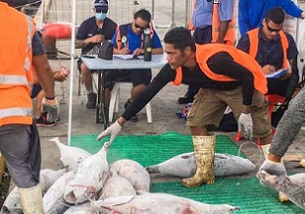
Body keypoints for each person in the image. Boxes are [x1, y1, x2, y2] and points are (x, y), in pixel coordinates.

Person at [97, 27, 273, 188]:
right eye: (167, 53)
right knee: (196, 121)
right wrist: (120, 122)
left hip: (240, 87)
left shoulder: (215, 61)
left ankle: (274, 174)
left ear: (187, 51)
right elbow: (149, 92)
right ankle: (205, 171)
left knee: (262, 132)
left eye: (172, 53)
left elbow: (247, 76)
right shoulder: (173, 68)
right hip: (212, 89)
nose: (168, 58)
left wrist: (246, 111)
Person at [0, 1, 59, 214]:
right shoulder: (22, 23)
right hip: (13, 113)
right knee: (24, 172)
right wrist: (50, 97)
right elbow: (42, 66)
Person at [104, 8, 163, 122]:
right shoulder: (122, 30)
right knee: (105, 82)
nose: (138, 30)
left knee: (144, 85)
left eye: (142, 28)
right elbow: (109, 48)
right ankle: (104, 109)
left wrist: (144, 51)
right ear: (133, 20)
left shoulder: (149, 32)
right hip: (119, 66)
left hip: (138, 67)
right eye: (137, 26)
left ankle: (131, 105)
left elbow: (160, 50)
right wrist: (119, 51)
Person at [237, 7, 299, 113]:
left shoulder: (287, 38)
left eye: (277, 30)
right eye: (271, 29)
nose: (274, 33)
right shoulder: (248, 38)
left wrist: (288, 75)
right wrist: (259, 72)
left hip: (278, 83)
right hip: (253, 85)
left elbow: (294, 68)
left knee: (297, 95)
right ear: (264, 22)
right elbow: (237, 68)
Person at [178, 0, 235, 104]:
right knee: (194, 62)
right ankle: (192, 92)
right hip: (199, 31)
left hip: (211, 32)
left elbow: (225, 18)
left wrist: (220, 39)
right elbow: (198, 9)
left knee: (207, 64)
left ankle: (204, 95)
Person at [75, 0, 117, 109]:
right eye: (99, 10)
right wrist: (90, 40)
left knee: (111, 72)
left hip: (107, 58)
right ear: (94, 10)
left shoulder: (112, 26)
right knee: (84, 67)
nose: (101, 13)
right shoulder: (86, 25)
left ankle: (104, 98)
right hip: (88, 57)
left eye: (104, 10)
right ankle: (90, 94)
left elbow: (118, 43)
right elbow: (75, 44)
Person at [238, 0, 305, 36]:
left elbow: (288, 5)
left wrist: (301, 13)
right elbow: (243, 21)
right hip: (252, 35)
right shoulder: (244, 1)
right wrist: (247, 38)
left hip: (270, 37)